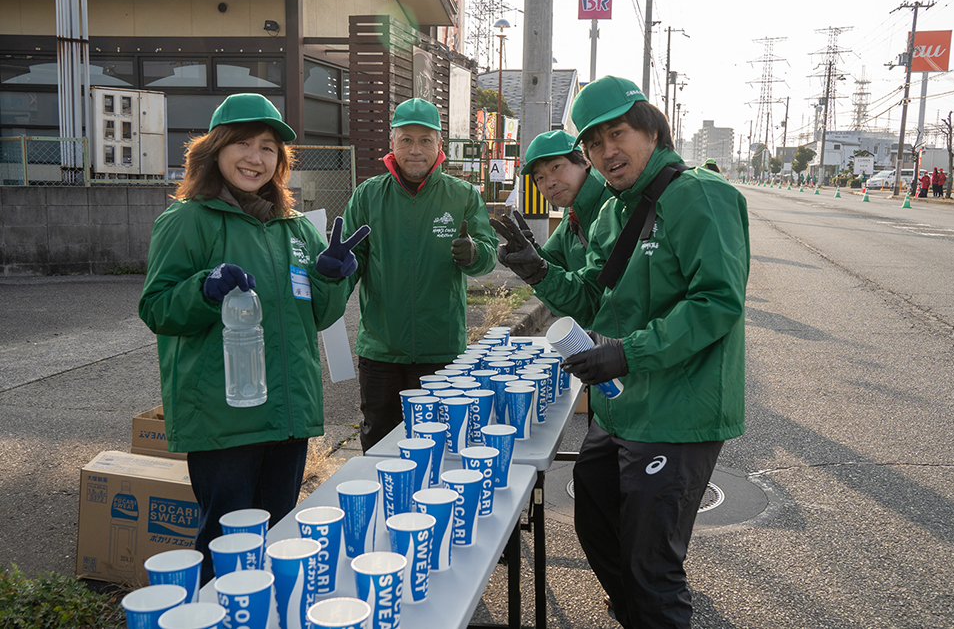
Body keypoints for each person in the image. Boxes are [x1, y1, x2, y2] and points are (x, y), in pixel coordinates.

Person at [491, 76, 749, 629]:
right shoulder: (611, 212)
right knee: (596, 517)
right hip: (623, 404)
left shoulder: (701, 194)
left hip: (680, 410)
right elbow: (593, 299)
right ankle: (635, 611)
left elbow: (717, 303)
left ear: (651, 129)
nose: (607, 151)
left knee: (652, 566)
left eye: (619, 133)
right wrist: (535, 268)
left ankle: (651, 610)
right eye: (593, 142)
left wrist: (626, 354)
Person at [138, 93, 369, 581]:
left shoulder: (294, 229)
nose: (255, 157)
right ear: (215, 150)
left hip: (287, 412)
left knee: (279, 537)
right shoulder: (187, 220)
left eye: (268, 147)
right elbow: (157, 308)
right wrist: (203, 289)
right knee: (228, 545)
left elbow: (321, 318)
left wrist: (331, 276)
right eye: (242, 143)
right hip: (225, 417)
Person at [325, 98, 498, 451]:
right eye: (406, 140)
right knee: (378, 444)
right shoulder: (369, 195)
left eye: (424, 140)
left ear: (439, 145)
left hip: (442, 349)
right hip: (381, 350)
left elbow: (488, 255)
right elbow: (349, 263)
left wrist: (474, 254)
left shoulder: (462, 195)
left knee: (440, 444)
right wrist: (330, 281)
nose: (415, 150)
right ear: (392, 142)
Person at [519, 129, 610, 423]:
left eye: (556, 167)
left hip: (628, 352)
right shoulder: (573, 217)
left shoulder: (612, 206)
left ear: (583, 161)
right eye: (539, 178)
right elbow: (551, 268)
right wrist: (529, 255)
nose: (549, 182)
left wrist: (539, 270)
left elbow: (590, 295)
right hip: (600, 352)